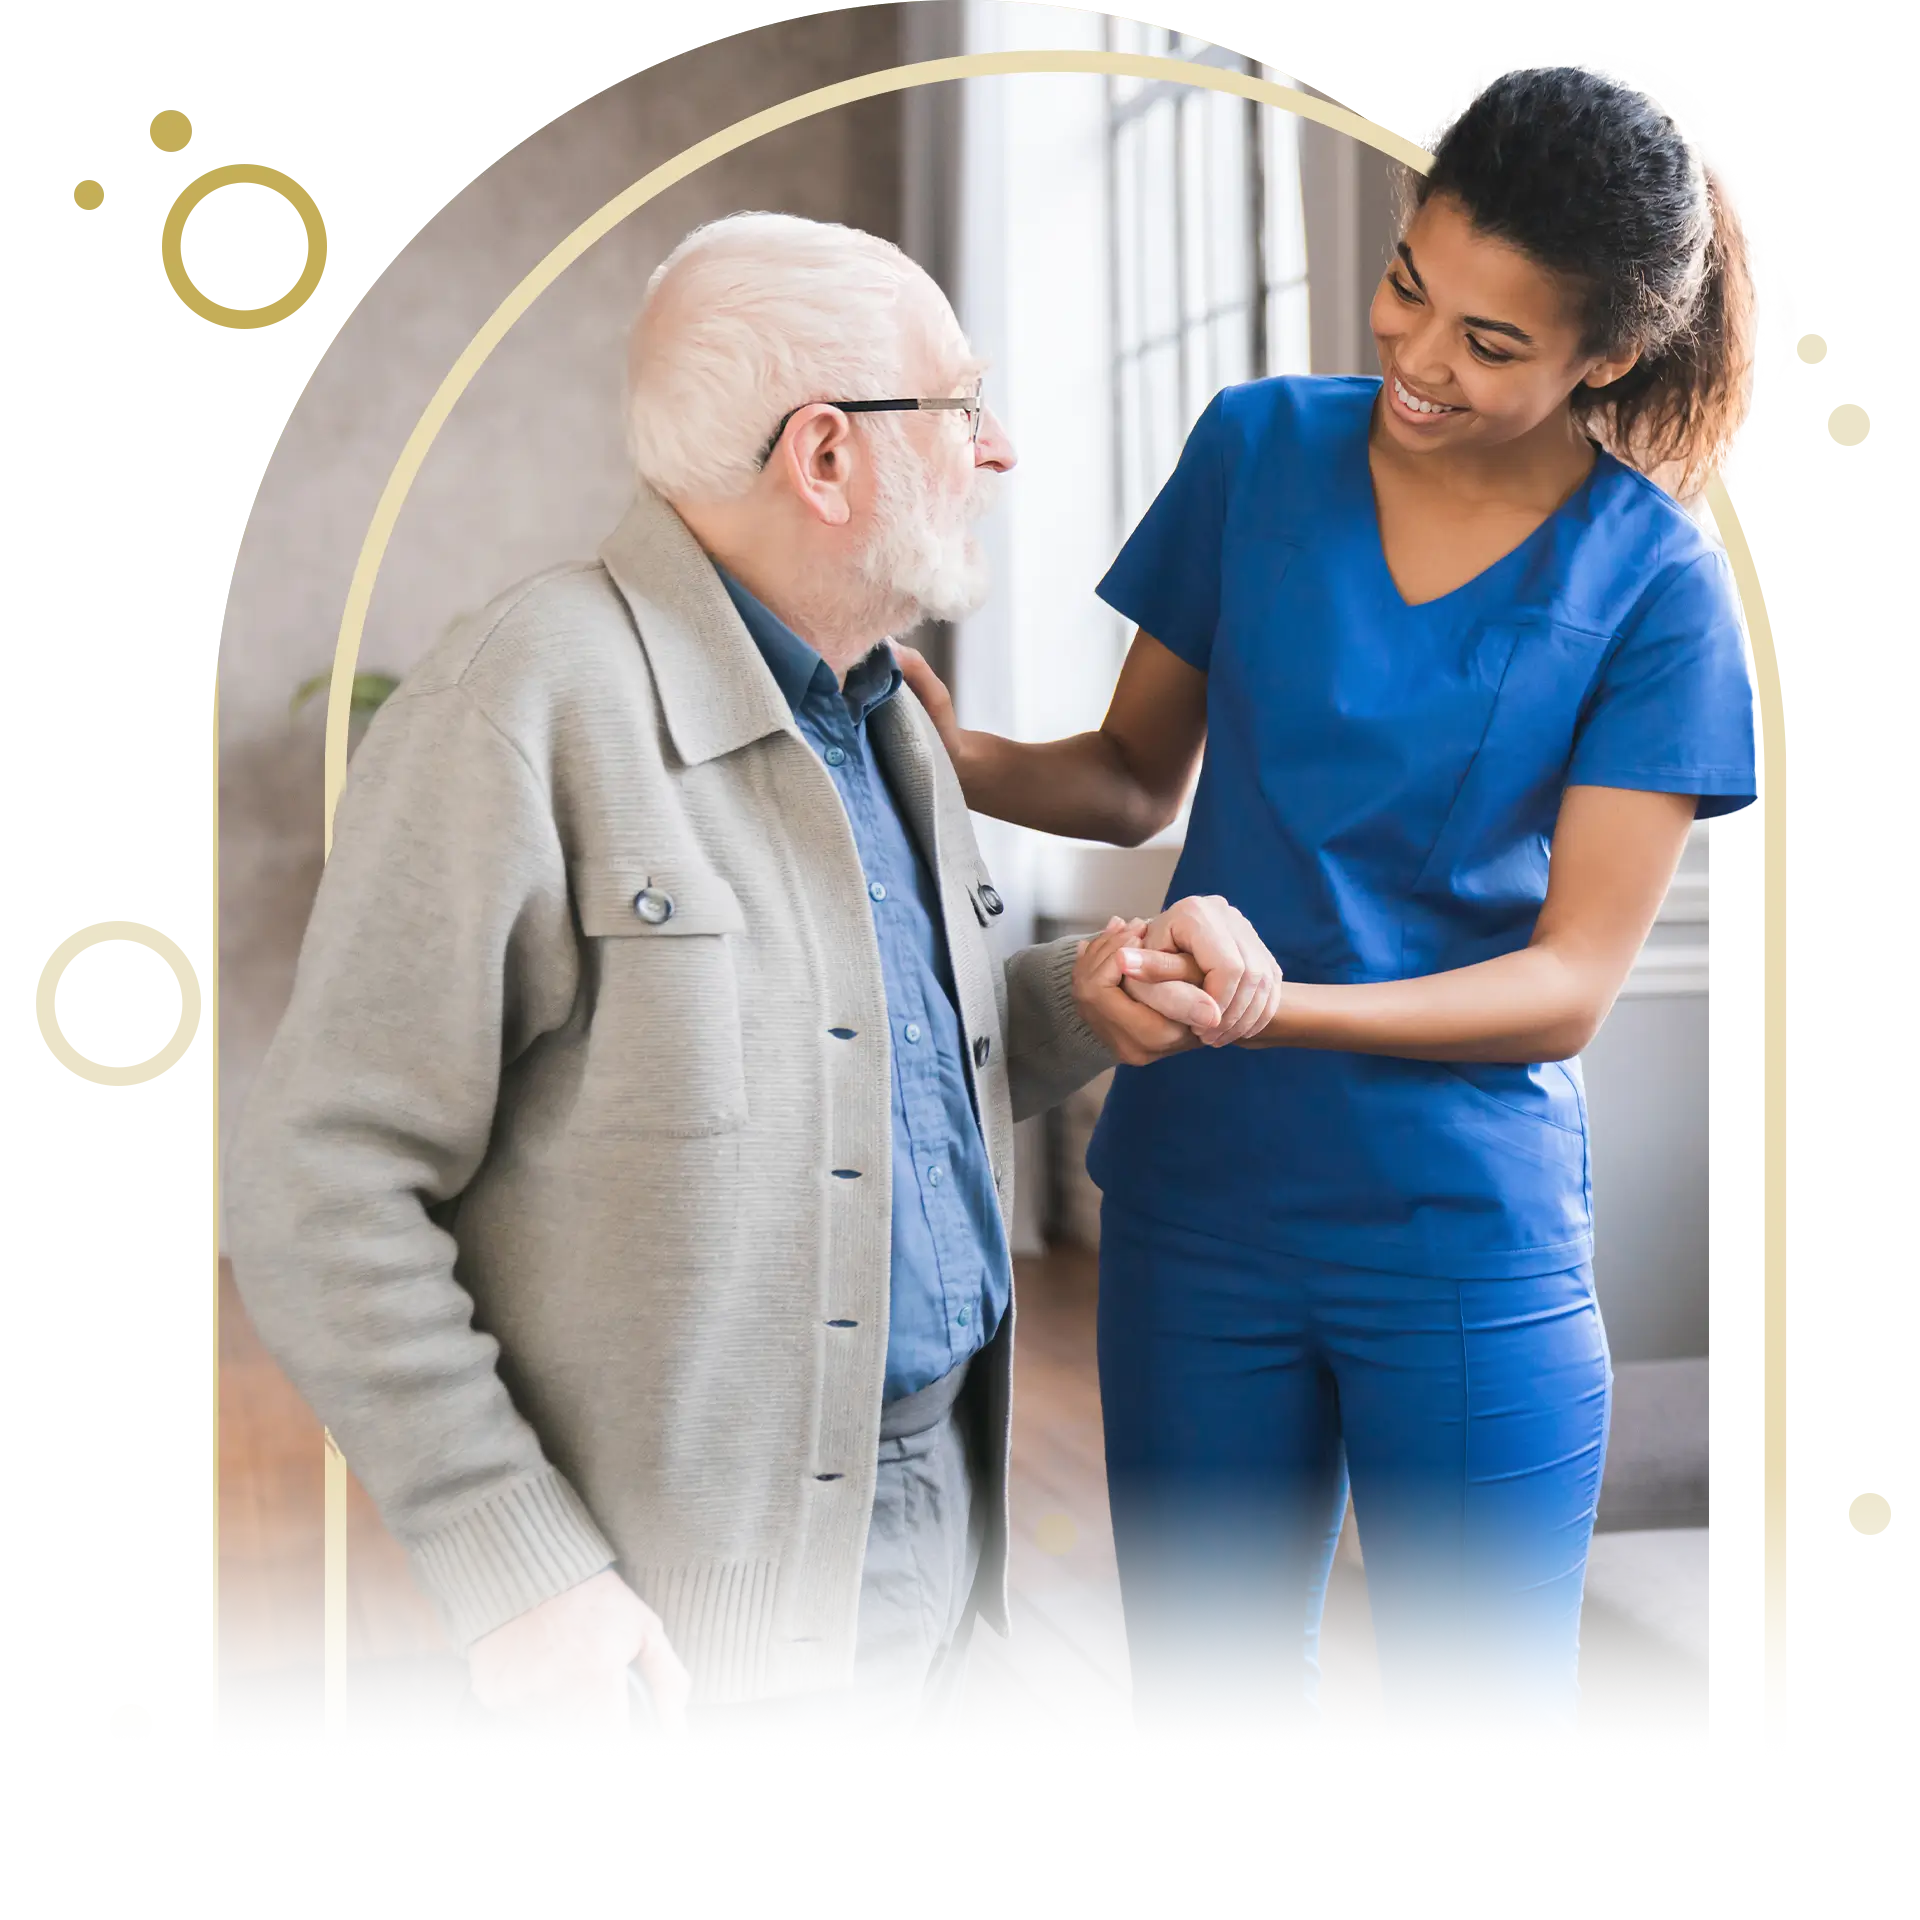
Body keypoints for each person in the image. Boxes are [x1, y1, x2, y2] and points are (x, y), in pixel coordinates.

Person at [222, 211, 1252, 1761]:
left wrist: (1080, 998)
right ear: (826, 458)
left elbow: (861, 1055)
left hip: (932, 1532)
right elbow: (320, 1182)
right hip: (671, 1635)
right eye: (959, 406)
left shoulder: (886, 713)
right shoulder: (524, 699)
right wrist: (524, 1573)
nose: (1000, 448)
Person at [895, 63, 1764, 1759]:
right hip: (1198, 1206)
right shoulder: (1259, 448)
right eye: (1410, 287)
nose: (1421, 360)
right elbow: (1139, 778)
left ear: (1606, 358)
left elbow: (1568, 983)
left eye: (1494, 345)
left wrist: (1273, 1008)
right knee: (1207, 1727)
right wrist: (954, 749)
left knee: (1484, 1733)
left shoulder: (1659, 587)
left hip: (1460, 1231)